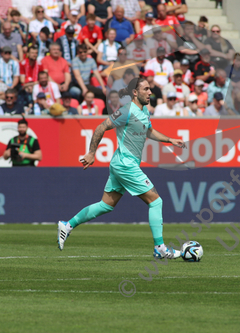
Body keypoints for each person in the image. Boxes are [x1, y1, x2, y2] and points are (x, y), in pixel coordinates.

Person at [57, 76, 186, 261]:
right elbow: (101, 127)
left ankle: (67, 225)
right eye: (146, 89)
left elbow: (148, 130)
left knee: (106, 205)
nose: (150, 92)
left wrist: (170, 140)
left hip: (121, 163)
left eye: (150, 89)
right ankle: (160, 248)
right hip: (126, 164)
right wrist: (91, 153)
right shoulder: (126, 111)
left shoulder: (144, 111)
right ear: (135, 92)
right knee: (156, 202)